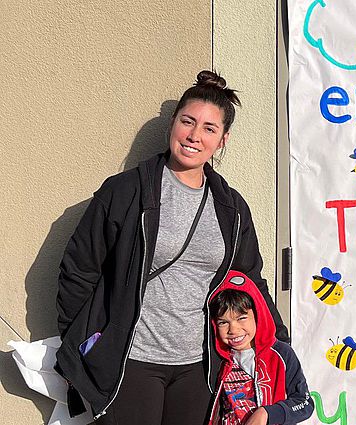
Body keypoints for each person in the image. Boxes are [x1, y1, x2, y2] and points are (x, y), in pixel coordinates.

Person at [55, 70, 289, 425]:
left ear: (222, 140)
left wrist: (279, 344)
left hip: (200, 366)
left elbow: (250, 280)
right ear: (173, 124)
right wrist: (82, 344)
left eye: (209, 129)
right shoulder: (125, 192)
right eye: (188, 122)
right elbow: (79, 269)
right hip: (132, 360)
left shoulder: (231, 208)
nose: (195, 136)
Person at [207, 270, 313, 425]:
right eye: (223, 322)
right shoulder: (218, 359)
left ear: (258, 315)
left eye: (241, 318)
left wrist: (268, 413)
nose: (233, 330)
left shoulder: (281, 354)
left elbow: (305, 403)